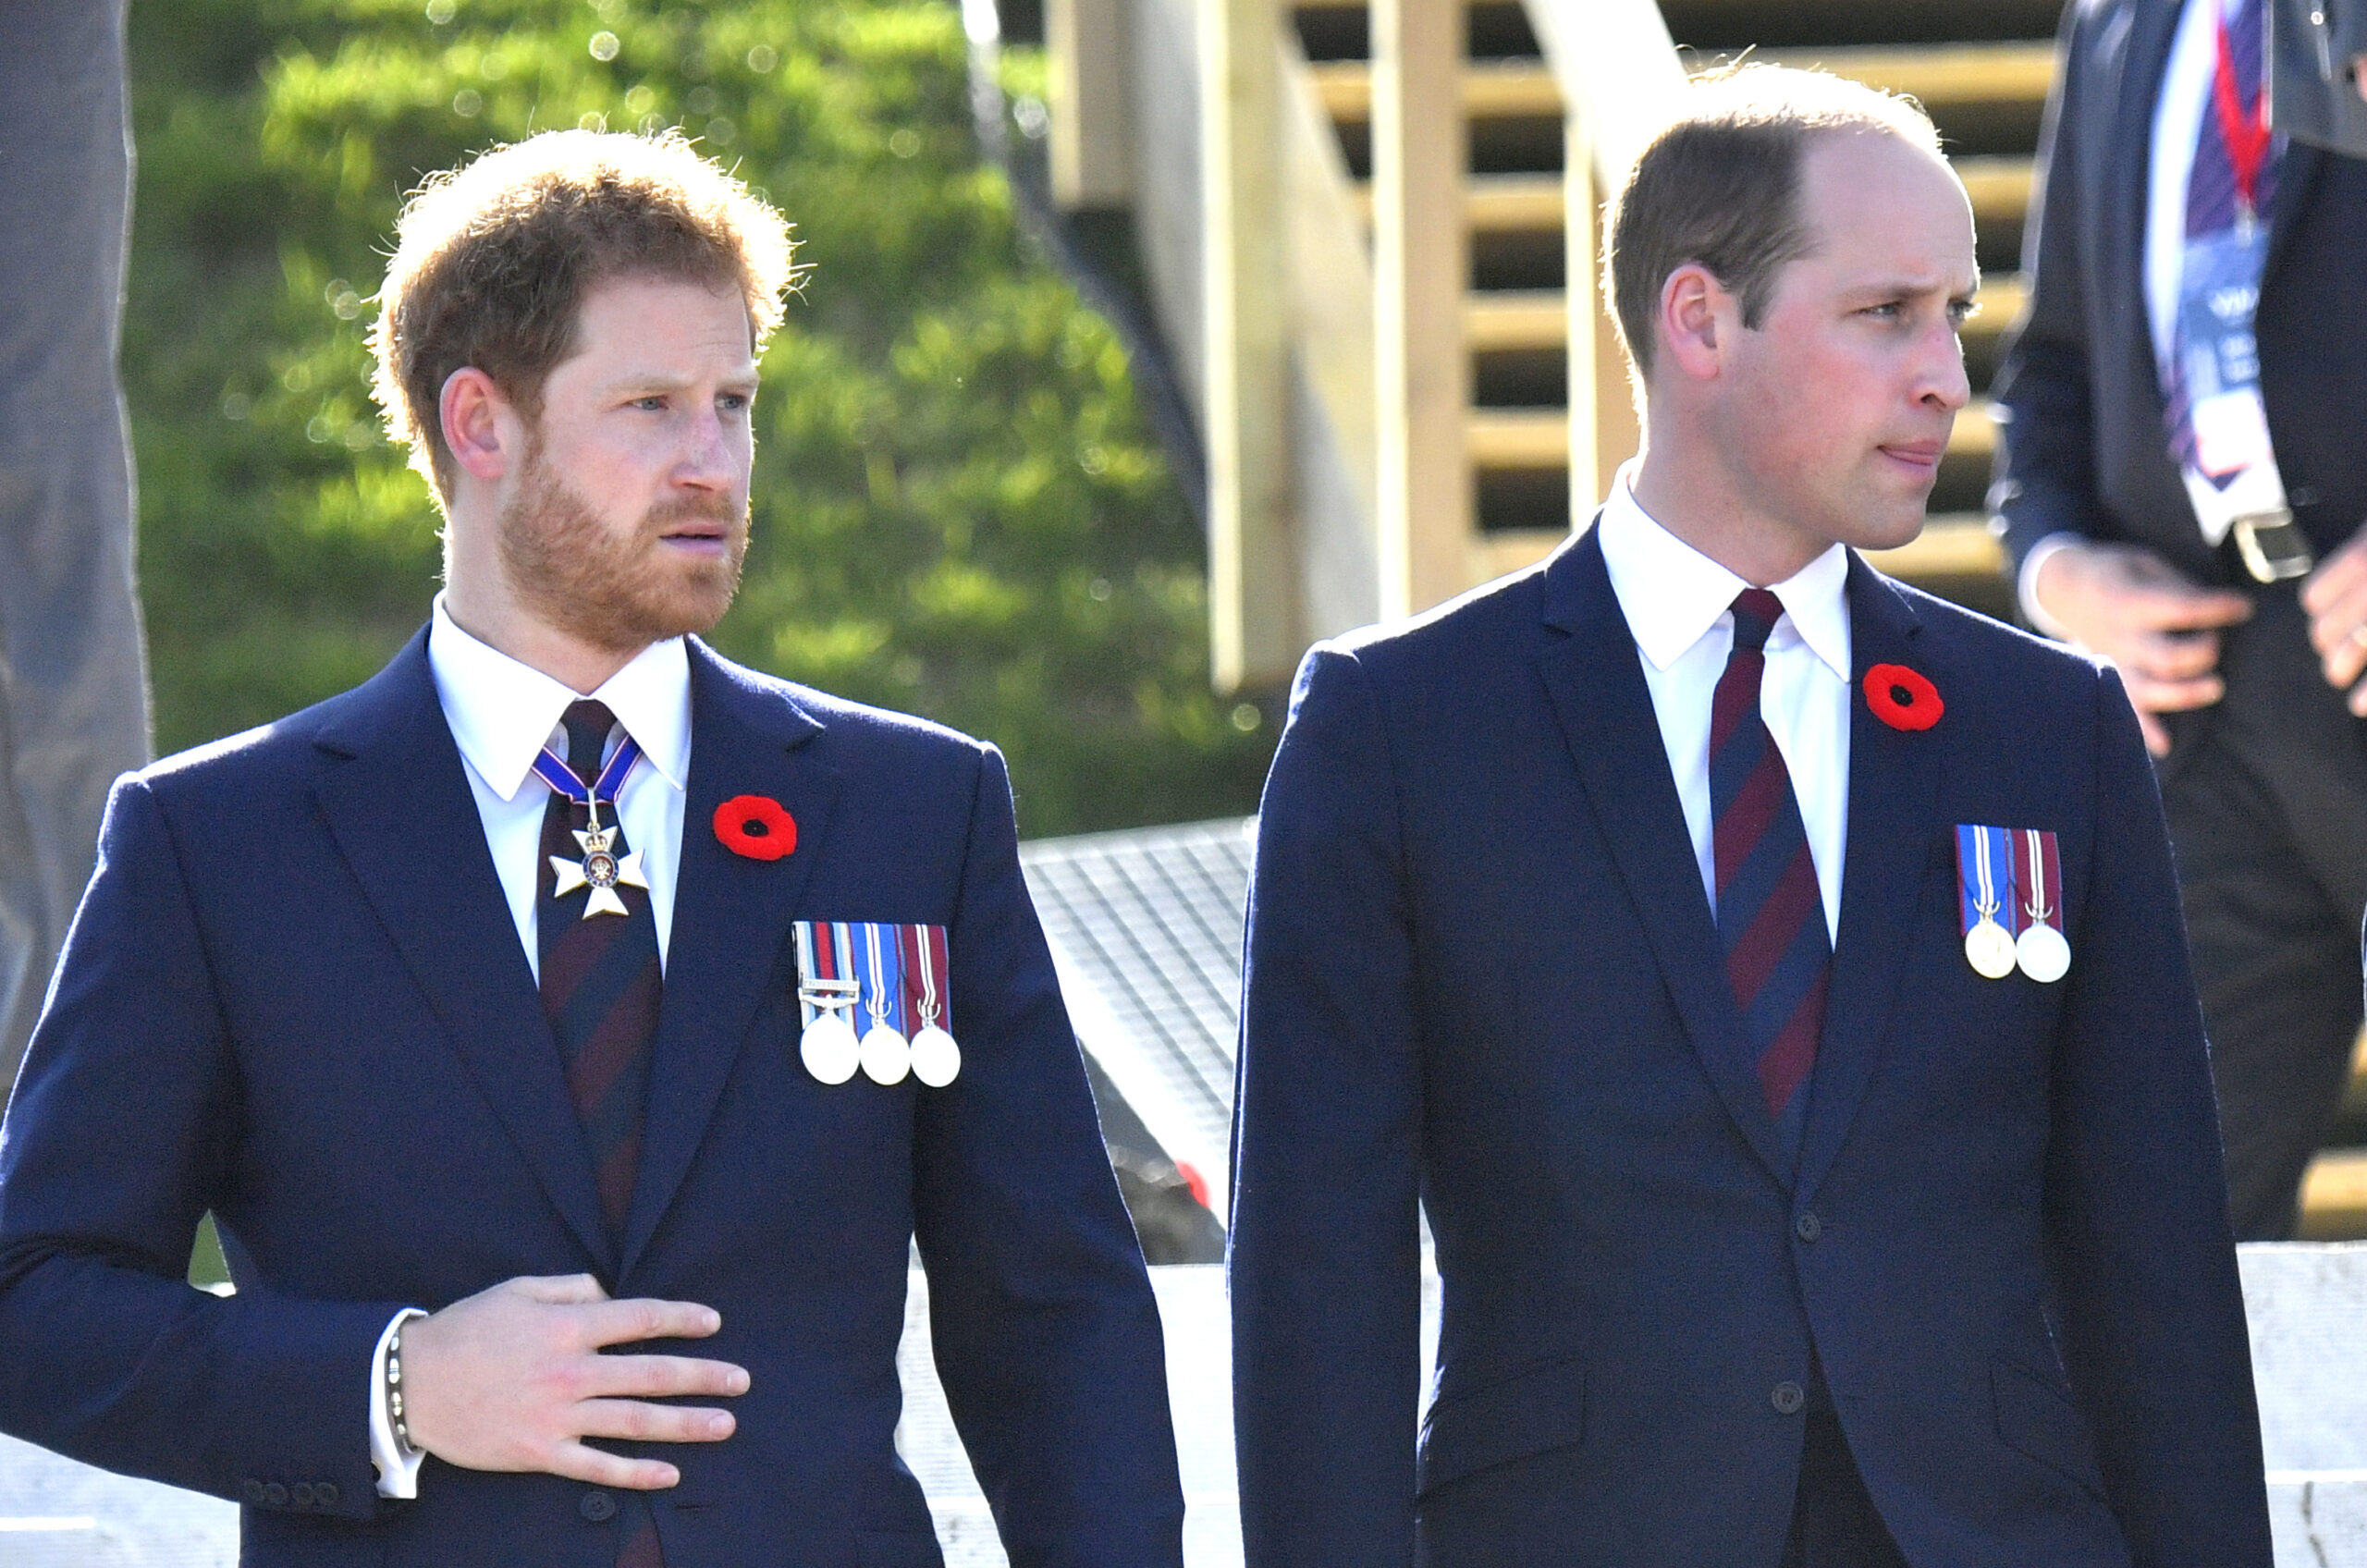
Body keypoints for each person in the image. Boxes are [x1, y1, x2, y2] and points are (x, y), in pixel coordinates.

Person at [0, 130, 1184, 1568]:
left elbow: (1055, 1313)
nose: (715, 462)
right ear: (481, 424)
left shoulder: (908, 813)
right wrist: (397, 1384)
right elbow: (35, 1297)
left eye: (736, 404)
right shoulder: (221, 844)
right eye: (652, 406)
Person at [1230, 67, 2270, 1568]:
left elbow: (2153, 1268)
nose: (1944, 378)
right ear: (1700, 320)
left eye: (1955, 318)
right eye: (1884, 314)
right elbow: (1315, 1287)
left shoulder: (2052, 732)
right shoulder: (1399, 735)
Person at [1992, 0, 2367, 1239]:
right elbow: (2048, 368)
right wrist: (2058, 575)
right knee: (2154, 1248)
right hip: (2199, 719)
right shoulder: (2116, 25)